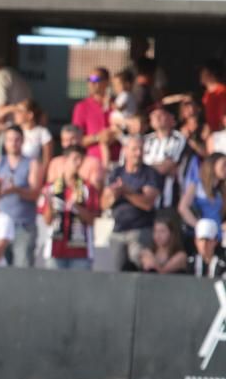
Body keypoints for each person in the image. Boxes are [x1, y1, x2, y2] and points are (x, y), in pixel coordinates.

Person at [103, 135, 161, 271]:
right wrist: (113, 195)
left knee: (138, 272)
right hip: (117, 231)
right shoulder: (116, 172)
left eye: (141, 149)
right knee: (116, 274)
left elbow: (147, 204)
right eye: (135, 149)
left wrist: (126, 192)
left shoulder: (150, 173)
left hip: (140, 231)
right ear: (125, 150)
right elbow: (104, 204)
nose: (139, 153)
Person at [39, 146, 100, 270]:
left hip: (81, 252)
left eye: (81, 159)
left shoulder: (87, 187)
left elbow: (92, 220)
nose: (79, 163)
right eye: (75, 159)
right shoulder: (51, 187)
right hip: (55, 250)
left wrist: (76, 207)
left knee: (80, 289)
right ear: (65, 160)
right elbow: (47, 221)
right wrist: (50, 204)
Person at [0, 126, 41, 267]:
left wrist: (16, 190)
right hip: (0, 226)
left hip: (23, 226)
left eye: (17, 139)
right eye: (10, 140)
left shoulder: (32, 163)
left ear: (22, 141)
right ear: (5, 142)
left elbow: (35, 193)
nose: (13, 143)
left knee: (22, 270)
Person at [142, 105, 188, 211]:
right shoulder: (145, 140)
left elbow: (165, 167)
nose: (156, 118)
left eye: (160, 115)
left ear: (171, 119)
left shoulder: (178, 139)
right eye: (153, 116)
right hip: (145, 200)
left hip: (167, 199)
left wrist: (143, 169)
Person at [72, 67, 116, 165]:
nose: (91, 83)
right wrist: (98, 137)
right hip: (93, 164)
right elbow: (76, 139)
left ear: (106, 82)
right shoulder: (82, 107)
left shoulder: (117, 105)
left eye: (95, 80)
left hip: (118, 162)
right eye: (89, 79)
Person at [179, 152, 226, 242]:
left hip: (217, 236)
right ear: (213, 164)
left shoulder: (222, 189)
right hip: (199, 236)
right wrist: (198, 225)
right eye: (224, 164)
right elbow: (183, 207)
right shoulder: (197, 184)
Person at [46, 125, 104, 191]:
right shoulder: (55, 163)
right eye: (65, 140)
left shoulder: (94, 162)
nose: (69, 143)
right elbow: (50, 190)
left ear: (81, 139)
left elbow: (95, 191)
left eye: (73, 139)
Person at [14, 99, 52, 172]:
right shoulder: (14, 131)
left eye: (19, 111)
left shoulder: (43, 132)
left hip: (33, 172)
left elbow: (47, 159)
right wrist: (9, 108)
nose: (15, 114)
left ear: (30, 115)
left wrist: (41, 175)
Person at [200, 59, 226, 134]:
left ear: (211, 74)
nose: (201, 74)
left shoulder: (222, 92)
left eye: (203, 71)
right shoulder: (206, 96)